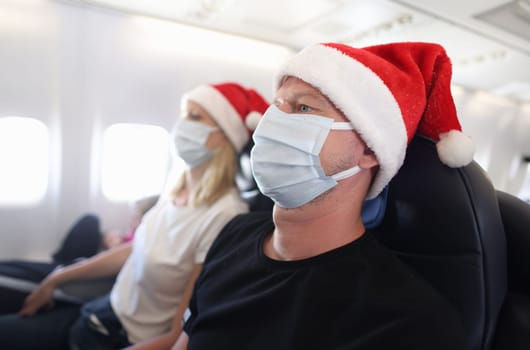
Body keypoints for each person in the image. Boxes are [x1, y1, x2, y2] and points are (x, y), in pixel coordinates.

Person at [173, 42, 475, 350]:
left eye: (304, 108)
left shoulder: (410, 324)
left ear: (370, 148)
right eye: (276, 105)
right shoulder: (233, 234)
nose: (272, 124)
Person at [0, 82, 269, 350]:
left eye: (195, 117)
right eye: (183, 114)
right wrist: (57, 278)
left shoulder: (223, 215)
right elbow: (136, 248)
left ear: (225, 136)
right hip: (99, 312)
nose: (181, 124)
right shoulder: (176, 188)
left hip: (124, 340)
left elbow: (178, 335)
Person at [0, 195, 159, 316]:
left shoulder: (143, 245)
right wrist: (107, 239)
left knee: (11, 277)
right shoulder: (132, 237)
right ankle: (60, 264)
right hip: (79, 263)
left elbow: (122, 257)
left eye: (136, 218)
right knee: (90, 221)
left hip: (84, 278)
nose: (131, 222)